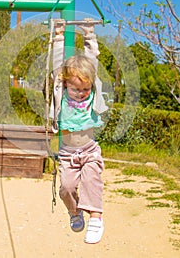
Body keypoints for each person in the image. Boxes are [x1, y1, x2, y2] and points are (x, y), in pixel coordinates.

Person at [50, 20, 108, 244]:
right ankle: (75, 212)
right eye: (76, 88)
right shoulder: (61, 92)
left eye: (85, 89)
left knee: (91, 180)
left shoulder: (91, 92)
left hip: (89, 150)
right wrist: (58, 37)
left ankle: (96, 218)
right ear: (65, 84)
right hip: (67, 153)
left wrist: (90, 35)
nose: (81, 93)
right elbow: (57, 66)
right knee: (66, 188)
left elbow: (92, 60)